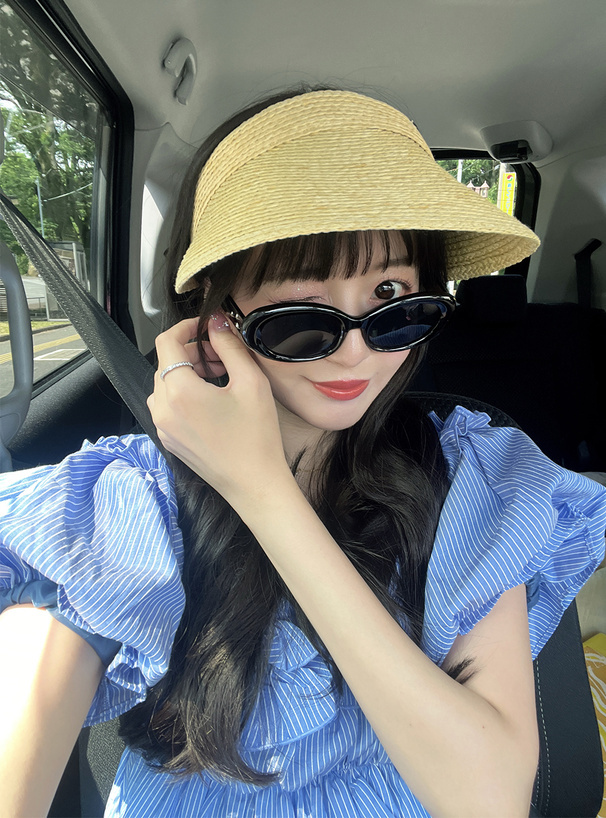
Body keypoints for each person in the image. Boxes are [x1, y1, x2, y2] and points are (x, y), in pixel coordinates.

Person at [1, 87, 605, 818]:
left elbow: (489, 798)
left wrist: (263, 490)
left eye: (392, 294)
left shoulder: (469, 480)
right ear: (217, 315)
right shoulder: (130, 501)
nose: (354, 349)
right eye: (300, 310)